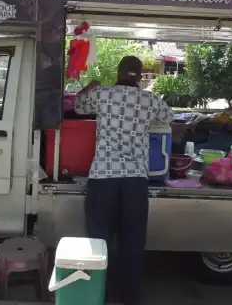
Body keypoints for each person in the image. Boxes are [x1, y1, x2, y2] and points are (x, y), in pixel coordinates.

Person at [74, 55, 173, 305]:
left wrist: (89, 86)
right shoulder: (150, 99)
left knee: (100, 240)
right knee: (132, 241)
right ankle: (129, 296)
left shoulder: (102, 94)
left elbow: (77, 106)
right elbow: (168, 117)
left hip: (103, 177)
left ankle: (100, 293)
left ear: (118, 72)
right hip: (135, 179)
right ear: (139, 76)